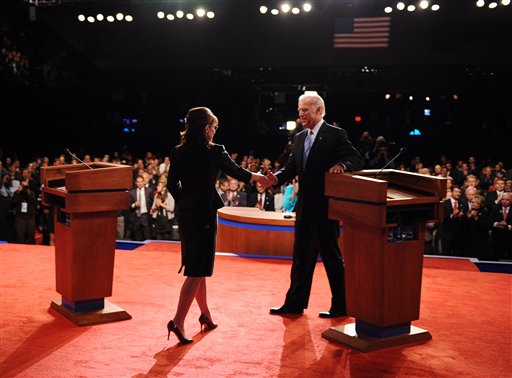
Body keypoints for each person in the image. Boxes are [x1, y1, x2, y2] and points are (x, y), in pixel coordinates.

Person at [166, 106, 268, 344]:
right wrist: (258, 177)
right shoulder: (215, 151)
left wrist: (187, 201)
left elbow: (172, 185)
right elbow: (237, 172)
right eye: (214, 127)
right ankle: (178, 321)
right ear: (206, 128)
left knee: (197, 266)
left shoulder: (178, 151)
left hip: (187, 213)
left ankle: (205, 315)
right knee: (196, 269)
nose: (215, 131)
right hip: (204, 215)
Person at [264, 92, 364, 318]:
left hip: (326, 208)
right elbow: (291, 168)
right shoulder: (299, 137)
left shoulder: (335, 134)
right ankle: (294, 303)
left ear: (319, 111)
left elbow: (356, 159)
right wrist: (276, 178)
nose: (301, 114)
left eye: (305, 110)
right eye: (299, 110)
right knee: (301, 257)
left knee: (331, 258)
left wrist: (342, 164)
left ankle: (342, 306)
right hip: (304, 208)